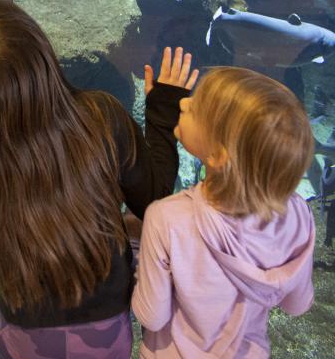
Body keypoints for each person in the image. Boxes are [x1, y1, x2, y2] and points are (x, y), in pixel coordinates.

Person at [0, 0, 198, 359]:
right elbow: (154, 200)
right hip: (105, 319)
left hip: (22, 325)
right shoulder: (102, 117)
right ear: (44, 60)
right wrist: (162, 114)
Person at [131, 67, 315, 358]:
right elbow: (297, 303)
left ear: (217, 156)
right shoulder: (298, 215)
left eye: (197, 106)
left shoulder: (166, 217)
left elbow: (151, 316)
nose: (183, 102)